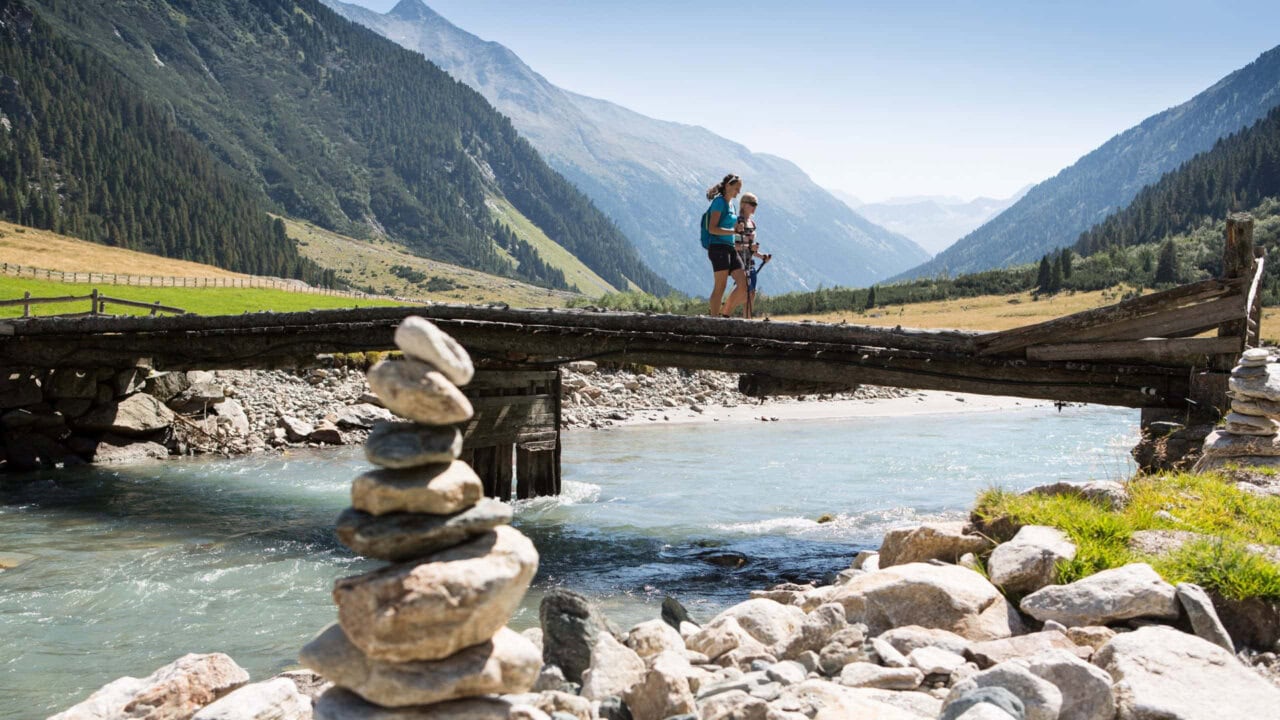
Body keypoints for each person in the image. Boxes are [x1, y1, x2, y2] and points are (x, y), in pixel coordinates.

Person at [701, 174, 748, 317]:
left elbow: (729, 227)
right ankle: (714, 321)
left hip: (730, 247)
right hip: (718, 248)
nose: (738, 192)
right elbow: (712, 228)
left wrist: (738, 229)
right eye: (736, 188)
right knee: (720, 286)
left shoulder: (732, 205)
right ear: (728, 186)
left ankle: (724, 314)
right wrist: (733, 230)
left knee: (744, 283)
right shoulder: (719, 203)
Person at [727, 192, 772, 318]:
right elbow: (732, 245)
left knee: (751, 293)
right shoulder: (737, 222)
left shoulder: (752, 224)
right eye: (752, 204)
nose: (755, 207)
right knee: (744, 291)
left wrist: (762, 256)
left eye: (756, 204)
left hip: (749, 262)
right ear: (744, 204)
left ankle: (748, 321)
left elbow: (751, 249)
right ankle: (725, 313)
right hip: (738, 262)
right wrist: (748, 247)